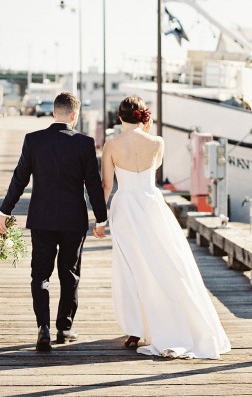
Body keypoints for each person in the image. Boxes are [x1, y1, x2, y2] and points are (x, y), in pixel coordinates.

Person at [99, 95, 231, 359]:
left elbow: (106, 186)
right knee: (166, 264)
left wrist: (100, 220)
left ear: (120, 117)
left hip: (125, 208)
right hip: (152, 207)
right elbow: (153, 169)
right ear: (143, 116)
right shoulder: (158, 142)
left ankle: (136, 329)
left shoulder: (111, 145)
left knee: (131, 269)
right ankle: (175, 321)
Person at [0, 92, 107, 352]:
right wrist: (101, 218)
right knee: (69, 274)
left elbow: (19, 178)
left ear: (54, 113)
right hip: (73, 221)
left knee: (40, 275)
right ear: (74, 115)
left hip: (42, 219)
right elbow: (92, 185)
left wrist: (5, 211)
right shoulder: (84, 143)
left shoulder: (34, 140)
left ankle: (42, 327)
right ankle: (64, 328)